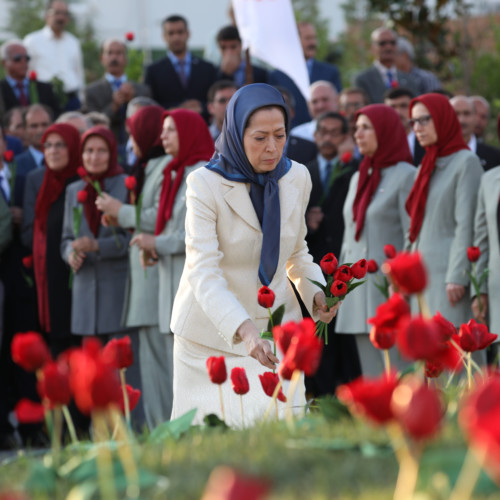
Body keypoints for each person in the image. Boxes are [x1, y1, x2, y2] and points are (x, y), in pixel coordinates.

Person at [168, 84, 337, 426]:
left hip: (275, 338)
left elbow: (297, 253)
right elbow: (203, 271)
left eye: (280, 135)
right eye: (260, 138)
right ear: (235, 132)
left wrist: (319, 293)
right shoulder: (204, 184)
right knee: (214, 445)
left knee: (281, 442)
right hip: (210, 340)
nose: (272, 147)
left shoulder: (297, 176)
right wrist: (243, 330)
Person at [127, 108, 214, 427]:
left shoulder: (202, 174)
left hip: (190, 282)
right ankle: (170, 433)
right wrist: (155, 244)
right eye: (162, 130)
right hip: (170, 279)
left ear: (189, 133)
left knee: (189, 369)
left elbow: (195, 233)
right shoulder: (176, 171)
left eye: (170, 130)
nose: (162, 137)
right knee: (169, 368)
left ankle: (192, 433)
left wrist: (156, 243)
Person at [95, 105, 168, 428]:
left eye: (133, 130)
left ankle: (166, 430)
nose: (129, 139)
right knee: (152, 368)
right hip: (146, 278)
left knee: (161, 368)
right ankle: (159, 430)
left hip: (156, 279)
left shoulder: (165, 168)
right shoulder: (149, 165)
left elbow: (161, 217)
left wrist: (121, 210)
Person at [335, 104, 415, 376]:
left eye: (366, 127)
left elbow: (411, 236)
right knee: (372, 377)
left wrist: (403, 288)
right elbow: (349, 236)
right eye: (356, 128)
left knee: (400, 374)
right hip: (358, 290)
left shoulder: (406, 175)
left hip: (389, 290)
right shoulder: (359, 176)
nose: (358, 134)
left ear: (386, 131)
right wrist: (340, 286)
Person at [406, 93, 483, 327]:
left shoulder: (465, 162)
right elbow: (415, 226)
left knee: (454, 356)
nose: (417, 128)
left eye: (424, 120)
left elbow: (466, 223)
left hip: (447, 279)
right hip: (422, 278)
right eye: (413, 122)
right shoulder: (426, 166)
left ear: (442, 119)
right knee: (426, 360)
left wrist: (458, 276)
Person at [304, 111, 361, 395]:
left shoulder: (354, 172)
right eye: (322, 132)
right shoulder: (301, 172)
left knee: (347, 339)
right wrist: (306, 222)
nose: (327, 138)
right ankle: (321, 398)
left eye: (334, 132)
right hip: (312, 270)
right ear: (315, 136)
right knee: (319, 338)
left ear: (344, 137)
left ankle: (352, 395)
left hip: (346, 268)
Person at [61, 127, 131, 338]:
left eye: (101, 150)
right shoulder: (74, 190)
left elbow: (130, 240)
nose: (94, 157)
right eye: (88, 151)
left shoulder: (125, 184)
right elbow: (66, 238)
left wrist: (97, 246)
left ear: (112, 153)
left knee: (120, 366)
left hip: (116, 293)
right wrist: (70, 254)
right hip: (84, 295)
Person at [21, 124, 80, 355]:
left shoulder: (81, 184)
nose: (53, 151)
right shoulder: (43, 184)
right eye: (48, 145)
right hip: (48, 285)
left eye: (61, 145)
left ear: (74, 147)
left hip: (73, 281)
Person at [270, 21, 342, 127]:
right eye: (308, 39)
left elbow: (337, 104)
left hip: (326, 132)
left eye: (314, 38)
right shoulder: (277, 76)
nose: (313, 43)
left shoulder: (330, 72)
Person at [83, 39, 151, 148]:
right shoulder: (91, 91)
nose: (114, 58)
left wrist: (133, 101)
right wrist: (114, 106)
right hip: (105, 147)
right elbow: (90, 125)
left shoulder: (142, 90)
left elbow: (149, 122)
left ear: (126, 59)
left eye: (119, 53)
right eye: (110, 53)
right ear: (102, 58)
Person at [144, 15, 216, 113]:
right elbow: (150, 105)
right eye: (171, 33)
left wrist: (201, 107)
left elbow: (215, 100)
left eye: (180, 32)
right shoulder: (153, 71)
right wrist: (179, 108)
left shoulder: (207, 68)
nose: (176, 37)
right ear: (164, 36)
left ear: (188, 34)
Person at [23, 1, 84, 111]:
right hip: (44, 99)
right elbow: (26, 72)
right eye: (57, 13)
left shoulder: (73, 42)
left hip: (71, 98)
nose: (61, 17)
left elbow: (78, 73)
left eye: (65, 14)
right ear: (46, 15)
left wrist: (82, 98)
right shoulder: (32, 41)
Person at [354, 27, 419, 104]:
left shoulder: (409, 79)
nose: (388, 47)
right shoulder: (362, 80)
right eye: (382, 43)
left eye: (393, 43)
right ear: (372, 48)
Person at [0, 40, 60, 117]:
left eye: (27, 58)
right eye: (17, 58)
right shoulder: (1, 89)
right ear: (4, 62)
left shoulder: (45, 88)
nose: (23, 62)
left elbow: (57, 114)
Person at [12, 104, 53, 208]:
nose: (40, 130)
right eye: (34, 126)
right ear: (24, 130)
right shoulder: (15, 166)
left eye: (44, 124)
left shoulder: (64, 160)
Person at [450, 95, 500, 171]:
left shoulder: (495, 157)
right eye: (456, 113)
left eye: (467, 113)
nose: (461, 120)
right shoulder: (436, 154)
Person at [384, 87, 425, 166]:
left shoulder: (426, 138)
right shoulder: (380, 143)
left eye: (403, 106)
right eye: (392, 107)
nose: (398, 112)